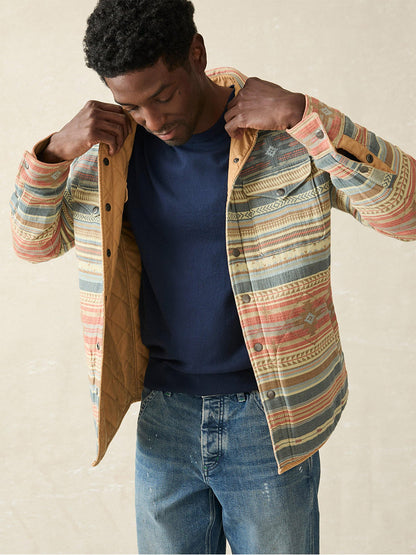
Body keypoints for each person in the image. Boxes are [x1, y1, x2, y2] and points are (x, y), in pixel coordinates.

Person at [9, 0, 416, 553]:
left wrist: (304, 115)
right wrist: (53, 154)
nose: (153, 121)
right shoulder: (112, 152)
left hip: (271, 418)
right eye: (131, 106)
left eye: (163, 95)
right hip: (163, 416)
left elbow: (407, 213)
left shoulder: (287, 137)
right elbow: (33, 245)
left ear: (196, 54)